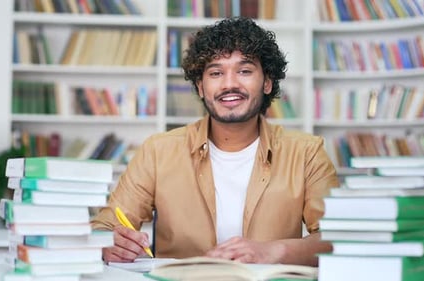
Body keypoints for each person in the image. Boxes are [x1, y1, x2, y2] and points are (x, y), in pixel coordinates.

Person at [91, 17, 339, 266]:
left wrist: (273, 252)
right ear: (200, 86)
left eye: (244, 71)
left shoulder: (307, 153)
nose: (229, 84)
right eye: (216, 73)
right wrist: (109, 242)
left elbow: (337, 238)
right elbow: (104, 227)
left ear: (267, 82)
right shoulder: (158, 151)